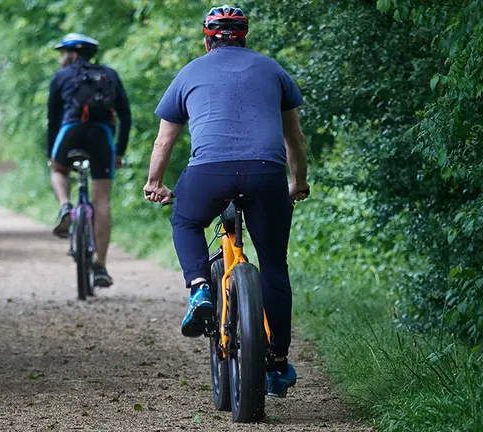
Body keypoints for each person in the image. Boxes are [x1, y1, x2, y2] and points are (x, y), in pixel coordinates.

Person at [142, 5, 310, 398]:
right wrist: (297, 182)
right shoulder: (273, 70)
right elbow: (295, 140)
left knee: (185, 220)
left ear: (207, 40)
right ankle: (278, 363)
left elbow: (165, 139)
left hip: (208, 174)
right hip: (267, 174)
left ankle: (200, 285)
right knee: (273, 266)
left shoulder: (189, 72)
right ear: (245, 37)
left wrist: (155, 182)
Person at [47, 33, 132, 287]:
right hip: (102, 136)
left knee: (58, 170)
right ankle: (101, 267)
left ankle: (65, 206)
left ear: (73, 54)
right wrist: (119, 152)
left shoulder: (62, 76)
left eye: (63, 53)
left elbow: (52, 118)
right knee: (102, 199)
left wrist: (51, 155)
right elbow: (126, 116)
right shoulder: (109, 74)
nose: (62, 58)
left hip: (70, 132)